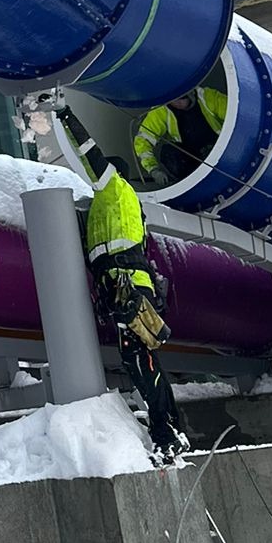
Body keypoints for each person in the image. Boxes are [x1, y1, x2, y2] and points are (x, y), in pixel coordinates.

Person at [72, 127, 189, 462]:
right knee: (141, 359)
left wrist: (64, 113)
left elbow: (88, 150)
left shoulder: (115, 189)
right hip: (128, 287)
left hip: (128, 287)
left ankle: (166, 433)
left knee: (141, 361)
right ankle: (169, 429)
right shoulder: (116, 208)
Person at [133, 84, 226, 184]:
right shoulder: (160, 111)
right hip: (191, 160)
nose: (179, 103)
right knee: (167, 152)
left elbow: (238, 114)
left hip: (220, 150)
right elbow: (143, 140)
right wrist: (154, 170)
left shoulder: (207, 97)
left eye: (183, 98)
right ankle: (190, 183)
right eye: (174, 100)